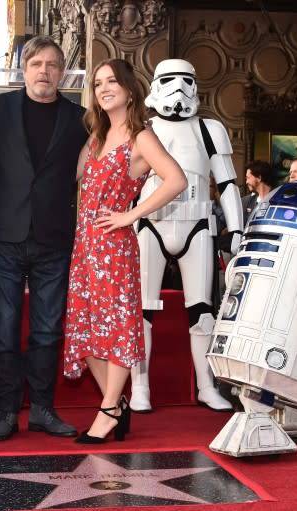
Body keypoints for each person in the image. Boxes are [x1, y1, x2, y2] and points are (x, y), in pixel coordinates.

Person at [64, 58, 188, 443]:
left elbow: (177, 179)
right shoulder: (96, 137)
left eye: (112, 82)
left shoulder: (141, 136)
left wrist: (130, 215)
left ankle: (107, 412)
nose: (103, 89)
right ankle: (115, 405)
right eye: (98, 83)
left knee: (116, 330)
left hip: (114, 248)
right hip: (85, 248)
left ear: (131, 89)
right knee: (85, 334)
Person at [0, 36, 88, 441]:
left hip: (54, 237)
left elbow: (90, 167)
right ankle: (8, 411)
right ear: (24, 69)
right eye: (36, 64)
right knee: (5, 325)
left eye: (52, 64)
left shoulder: (79, 117)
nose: (44, 71)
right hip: (5, 234)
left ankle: (43, 409)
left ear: (62, 72)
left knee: (47, 327)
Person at [129, 59, 244, 413]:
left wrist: (237, 228)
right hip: (150, 223)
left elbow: (226, 183)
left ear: (196, 86)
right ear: (156, 85)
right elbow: (126, 182)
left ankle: (206, 386)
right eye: (169, 80)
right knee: (143, 311)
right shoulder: (143, 129)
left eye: (186, 80)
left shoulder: (210, 129)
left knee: (202, 312)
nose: (178, 88)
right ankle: (139, 386)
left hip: (197, 225)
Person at [242, 160, 275, 225]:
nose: (246, 182)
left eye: (248, 178)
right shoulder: (246, 202)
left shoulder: (278, 199)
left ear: (259, 178)